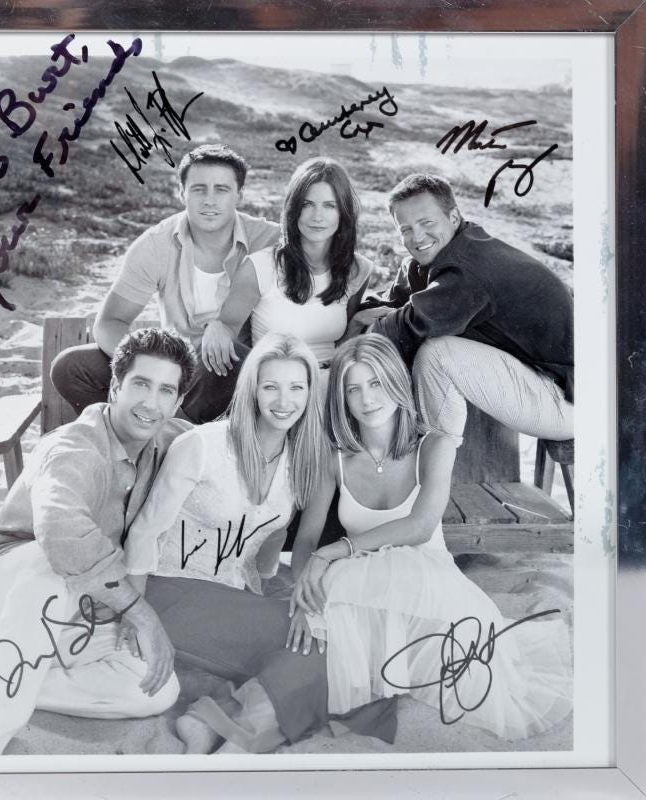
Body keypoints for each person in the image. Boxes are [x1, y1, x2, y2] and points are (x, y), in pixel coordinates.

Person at [290, 334, 572, 739]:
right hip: (362, 589)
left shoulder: (435, 444)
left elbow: (420, 527)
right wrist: (302, 597)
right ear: (341, 398)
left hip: (429, 584)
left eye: (376, 383)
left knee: (474, 675)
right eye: (353, 389)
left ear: (396, 382)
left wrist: (335, 551)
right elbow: (306, 540)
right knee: (327, 631)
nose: (367, 399)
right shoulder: (334, 458)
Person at [0, 327, 197, 755]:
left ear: (177, 403)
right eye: (140, 384)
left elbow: (225, 445)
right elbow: (61, 533)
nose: (151, 403)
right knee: (51, 567)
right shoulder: (73, 449)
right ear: (115, 387)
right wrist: (141, 613)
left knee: (154, 688)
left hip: (78, 610)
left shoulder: (169, 440)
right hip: (3, 592)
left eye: (165, 391)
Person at [123, 333, 347, 754]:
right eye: (271, 386)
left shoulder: (297, 462)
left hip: (224, 595)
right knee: (319, 648)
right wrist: (137, 617)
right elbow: (144, 532)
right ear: (253, 390)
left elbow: (271, 543)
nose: (284, 401)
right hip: (163, 591)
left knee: (320, 637)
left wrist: (272, 598)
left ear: (310, 394)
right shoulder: (203, 447)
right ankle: (233, 741)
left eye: (297, 387)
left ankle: (209, 723)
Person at [49, 144, 279, 415]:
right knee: (71, 367)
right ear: (182, 193)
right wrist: (149, 365)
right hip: (176, 366)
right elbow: (110, 322)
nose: (209, 200)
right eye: (198, 189)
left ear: (239, 194)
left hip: (238, 375)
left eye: (221, 189)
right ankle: (166, 426)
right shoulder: (156, 244)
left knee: (231, 356)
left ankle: (159, 429)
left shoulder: (269, 239)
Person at [370, 173, 573, 448]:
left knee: (437, 355)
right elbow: (395, 302)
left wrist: (357, 333)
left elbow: (405, 327)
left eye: (427, 222)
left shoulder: (468, 266)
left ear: (453, 217)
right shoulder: (450, 249)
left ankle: (433, 462)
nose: (416, 236)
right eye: (405, 229)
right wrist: (364, 313)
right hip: (540, 378)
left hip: (569, 399)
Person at [184, 156, 373, 422]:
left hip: (326, 383)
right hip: (270, 380)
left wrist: (357, 323)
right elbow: (228, 328)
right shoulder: (261, 266)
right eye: (307, 204)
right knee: (217, 354)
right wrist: (217, 327)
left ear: (343, 213)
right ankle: (179, 429)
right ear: (294, 209)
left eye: (329, 206)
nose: (317, 216)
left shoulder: (357, 269)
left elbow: (340, 343)